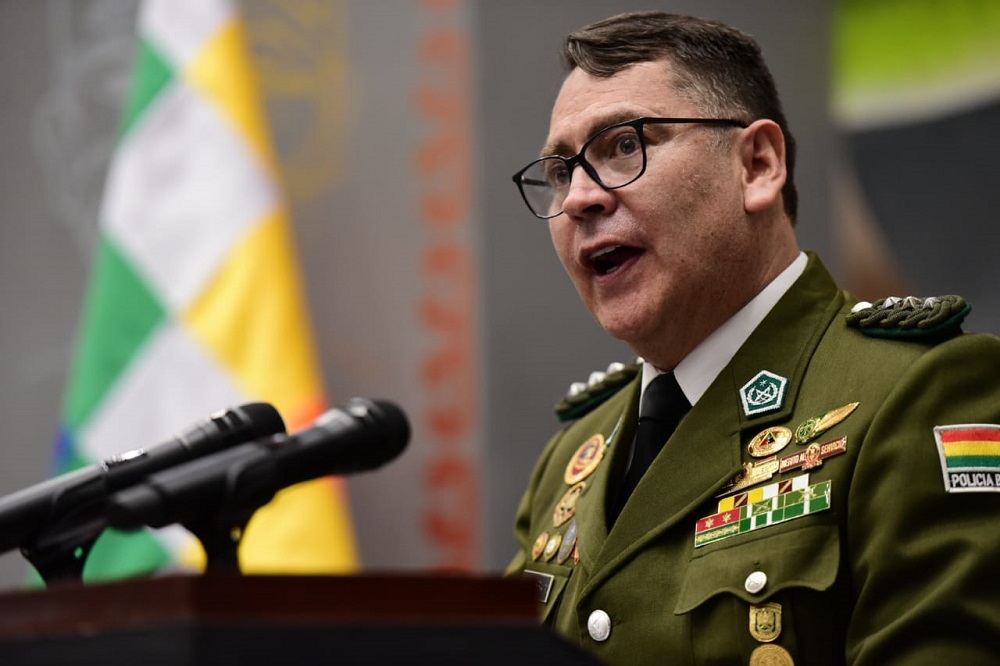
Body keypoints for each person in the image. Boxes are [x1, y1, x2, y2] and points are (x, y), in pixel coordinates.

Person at [506, 10, 1000, 665]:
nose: (578, 199)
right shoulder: (573, 454)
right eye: (561, 171)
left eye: (624, 145)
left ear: (758, 164)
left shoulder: (920, 392)